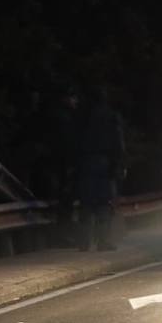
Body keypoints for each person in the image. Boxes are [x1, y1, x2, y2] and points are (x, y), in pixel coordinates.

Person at [68, 85, 126, 251]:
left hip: (84, 162)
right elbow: (118, 142)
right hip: (103, 162)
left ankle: (84, 241)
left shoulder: (81, 116)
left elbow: (73, 141)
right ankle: (103, 240)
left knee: (85, 202)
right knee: (104, 202)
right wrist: (118, 164)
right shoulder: (110, 116)